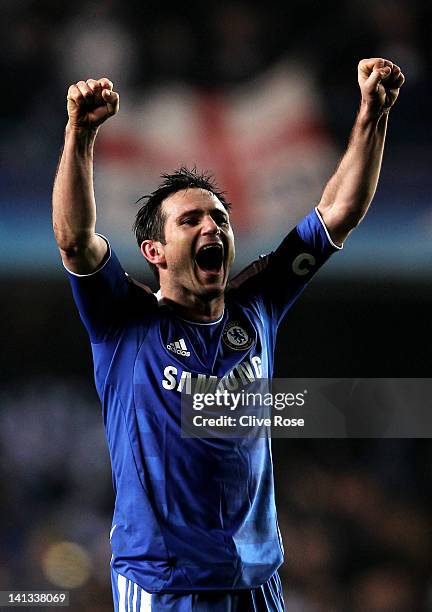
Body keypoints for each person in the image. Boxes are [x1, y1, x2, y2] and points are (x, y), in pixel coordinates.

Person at [52, 58, 404, 612]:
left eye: (219, 218)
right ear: (155, 252)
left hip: (258, 580)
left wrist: (372, 115)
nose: (211, 226)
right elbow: (75, 241)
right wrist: (81, 134)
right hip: (166, 585)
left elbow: (337, 212)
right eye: (190, 221)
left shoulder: (257, 304)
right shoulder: (124, 322)